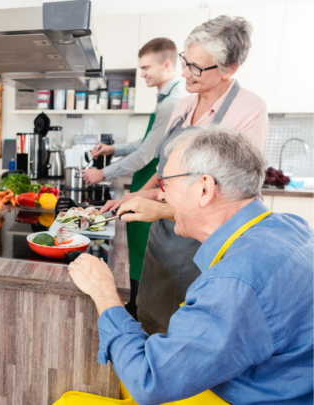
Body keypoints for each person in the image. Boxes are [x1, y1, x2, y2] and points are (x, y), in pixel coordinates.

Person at [67, 126, 313, 404]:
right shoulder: (292, 226)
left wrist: (104, 294)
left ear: (205, 188)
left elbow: (149, 380)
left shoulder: (234, 281)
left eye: (165, 185)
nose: (162, 197)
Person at [102, 15, 268, 335]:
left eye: (196, 68)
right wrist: (134, 196)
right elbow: (165, 170)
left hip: (204, 247)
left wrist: (161, 209)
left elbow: (233, 201)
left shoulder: (249, 109)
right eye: (184, 61)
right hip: (164, 239)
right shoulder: (184, 105)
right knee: (149, 315)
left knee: (188, 333)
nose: (184, 73)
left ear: (229, 69)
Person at [82, 38, 188, 311]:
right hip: (146, 183)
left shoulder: (172, 103)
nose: (142, 74)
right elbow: (146, 143)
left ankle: (138, 313)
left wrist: (102, 172)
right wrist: (113, 148)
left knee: (142, 258)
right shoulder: (165, 98)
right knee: (137, 254)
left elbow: (144, 156)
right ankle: (137, 309)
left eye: (145, 67)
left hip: (150, 186)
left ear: (167, 64)